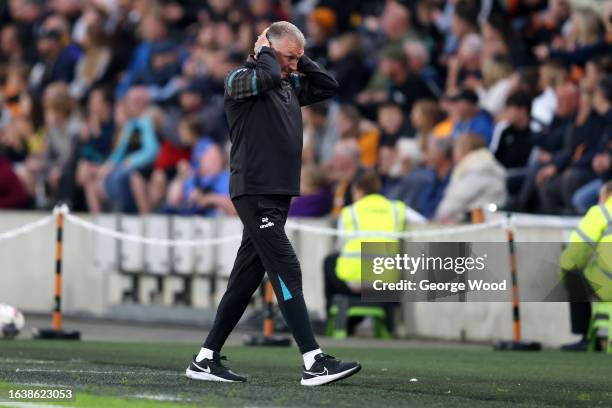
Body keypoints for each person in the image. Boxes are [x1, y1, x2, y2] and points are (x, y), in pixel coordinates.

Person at [185, 21, 361, 386]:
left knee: (245, 279)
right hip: (254, 190)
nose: (295, 66)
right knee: (285, 266)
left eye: (299, 58)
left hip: (277, 193)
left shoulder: (286, 82)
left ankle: (205, 358)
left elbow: (328, 85)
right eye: (289, 57)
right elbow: (262, 77)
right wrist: (267, 52)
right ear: (264, 50)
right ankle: (313, 360)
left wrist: (295, 57)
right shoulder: (240, 79)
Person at [324, 169, 406, 335]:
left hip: (354, 283)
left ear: (359, 190)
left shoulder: (350, 212)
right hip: (386, 284)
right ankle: (387, 321)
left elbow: (340, 247)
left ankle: (336, 320)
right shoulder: (397, 209)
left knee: (330, 261)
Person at [559, 180, 612, 351]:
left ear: (606, 195)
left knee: (573, 277)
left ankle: (585, 338)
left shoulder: (601, 212)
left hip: (608, 284)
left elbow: (574, 256)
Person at [435, 132, 507, 223]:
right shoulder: (478, 166)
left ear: (465, 149)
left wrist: (437, 217)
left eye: (456, 149)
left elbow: (456, 200)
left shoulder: (478, 168)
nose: (454, 155)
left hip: (479, 223)